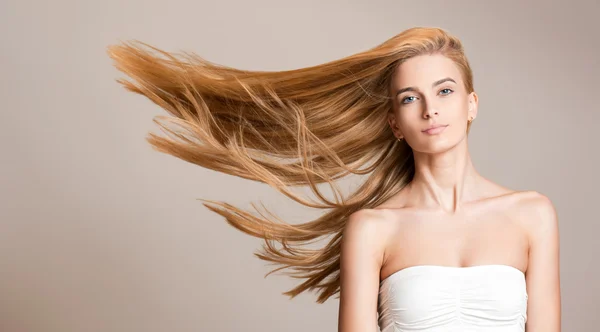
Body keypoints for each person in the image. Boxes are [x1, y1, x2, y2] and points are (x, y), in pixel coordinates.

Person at [107, 26, 561, 332]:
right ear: (394, 123)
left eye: (445, 90)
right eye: (409, 98)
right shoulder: (373, 228)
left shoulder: (531, 215)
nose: (431, 109)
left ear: (472, 103)